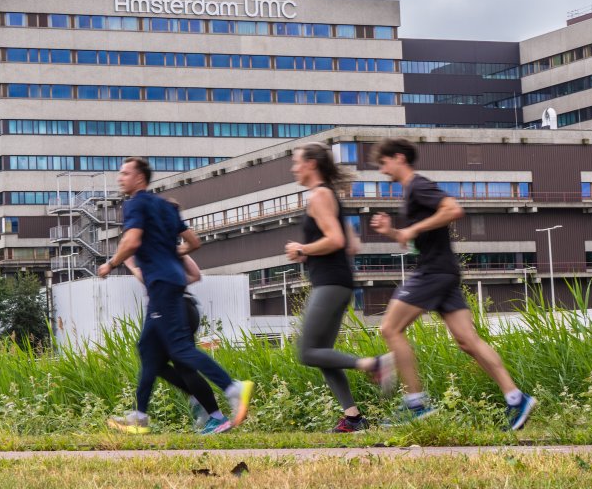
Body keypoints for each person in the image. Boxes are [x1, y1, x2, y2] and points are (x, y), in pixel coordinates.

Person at [369, 138, 536, 431]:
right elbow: (415, 237)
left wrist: (413, 228)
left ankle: (415, 402)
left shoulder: (418, 185)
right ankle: (516, 398)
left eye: (383, 163)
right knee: (466, 340)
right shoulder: (411, 191)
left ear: (398, 158)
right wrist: (393, 231)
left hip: (433, 272)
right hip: (444, 271)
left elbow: (453, 209)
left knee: (389, 328)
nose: (383, 171)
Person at [98, 156, 253, 434]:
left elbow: (131, 241)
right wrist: (172, 254)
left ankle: (232, 387)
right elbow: (194, 242)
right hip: (169, 284)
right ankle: (140, 416)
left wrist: (111, 263)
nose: (120, 178)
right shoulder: (163, 205)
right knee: (148, 349)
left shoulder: (135, 203)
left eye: (125, 174)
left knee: (181, 351)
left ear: (139, 178)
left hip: (162, 286)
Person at [284, 142, 396, 433]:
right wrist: (314, 251)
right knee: (323, 353)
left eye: (297, 162)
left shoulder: (319, 196)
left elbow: (335, 240)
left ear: (311, 164)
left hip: (330, 282)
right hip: (338, 279)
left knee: (307, 352)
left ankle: (374, 364)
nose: (294, 168)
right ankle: (354, 419)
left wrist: (302, 248)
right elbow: (352, 243)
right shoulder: (331, 196)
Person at [124, 252, 229, 434]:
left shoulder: (150, 246)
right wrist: (176, 284)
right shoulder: (171, 245)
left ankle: (217, 411)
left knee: (158, 357)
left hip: (170, 309)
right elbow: (196, 275)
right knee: (161, 363)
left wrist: (132, 266)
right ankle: (211, 411)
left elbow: (149, 280)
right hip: (187, 306)